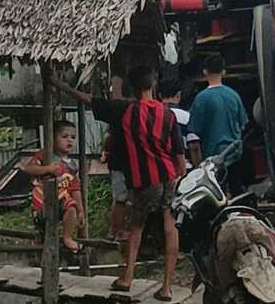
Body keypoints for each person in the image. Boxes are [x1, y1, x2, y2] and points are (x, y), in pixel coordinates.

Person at [53, 66, 186, 302]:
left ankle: (127, 277)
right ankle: (167, 287)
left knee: (136, 226)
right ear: (152, 86)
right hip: (169, 176)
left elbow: (89, 100)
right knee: (170, 226)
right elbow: (178, 153)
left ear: (131, 89)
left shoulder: (124, 110)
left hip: (146, 180)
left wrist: (58, 84)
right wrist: (180, 176)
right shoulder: (168, 114)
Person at [187, 54, 248, 193]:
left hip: (212, 158)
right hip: (234, 154)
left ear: (205, 72)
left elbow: (194, 131)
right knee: (236, 191)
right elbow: (243, 125)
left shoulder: (201, 99)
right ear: (224, 72)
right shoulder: (234, 95)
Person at [24, 120, 84, 254]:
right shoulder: (46, 155)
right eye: (64, 137)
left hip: (62, 198)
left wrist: (81, 210)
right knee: (43, 232)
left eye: (73, 137)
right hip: (43, 199)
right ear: (53, 138)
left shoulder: (72, 166)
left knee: (72, 208)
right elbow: (28, 168)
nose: (69, 140)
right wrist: (47, 169)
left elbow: (75, 188)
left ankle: (67, 237)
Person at [159, 77, 199, 169]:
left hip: (161, 169)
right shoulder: (187, 117)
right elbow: (194, 146)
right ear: (178, 95)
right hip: (184, 167)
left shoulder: (154, 115)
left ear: (160, 95)